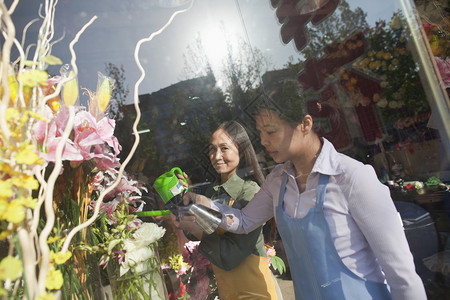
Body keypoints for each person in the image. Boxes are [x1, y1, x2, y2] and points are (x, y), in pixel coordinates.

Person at [181, 90, 427, 300]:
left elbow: (401, 274)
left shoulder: (351, 177)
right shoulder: (277, 181)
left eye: (271, 131)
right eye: (261, 133)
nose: (264, 141)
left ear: (305, 124)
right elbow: (244, 221)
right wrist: (206, 204)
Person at [179, 120, 282, 300]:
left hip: (255, 292)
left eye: (224, 148)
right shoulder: (212, 191)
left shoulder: (249, 192)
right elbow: (199, 233)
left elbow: (231, 256)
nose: (216, 156)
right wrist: (186, 200)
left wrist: (200, 232)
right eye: (212, 149)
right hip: (228, 291)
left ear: (240, 150)